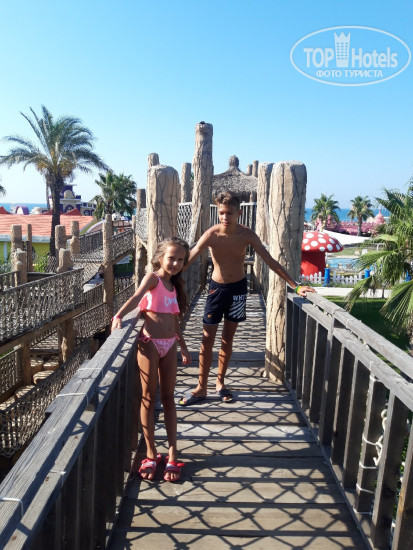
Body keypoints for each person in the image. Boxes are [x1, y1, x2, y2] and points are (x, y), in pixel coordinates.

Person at [178, 190, 314, 406]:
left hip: (238, 290)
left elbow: (271, 261)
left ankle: (220, 383)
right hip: (216, 291)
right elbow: (187, 261)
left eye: (229, 213)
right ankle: (201, 387)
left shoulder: (247, 235)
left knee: (227, 339)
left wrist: (295, 286)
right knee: (206, 340)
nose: (225, 217)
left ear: (238, 213)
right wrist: (161, 279)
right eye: (221, 213)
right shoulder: (211, 235)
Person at [112, 237, 192, 482]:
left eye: (180, 260)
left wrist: (183, 347)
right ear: (160, 258)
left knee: (168, 398)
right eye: (171, 258)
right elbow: (137, 298)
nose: (175, 263)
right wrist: (118, 315)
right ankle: (150, 451)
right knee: (148, 396)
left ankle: (172, 452)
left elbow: (174, 321)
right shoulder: (153, 279)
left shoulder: (174, 287)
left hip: (169, 346)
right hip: (149, 344)